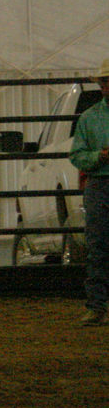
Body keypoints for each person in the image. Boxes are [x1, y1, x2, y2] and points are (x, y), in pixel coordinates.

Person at [69, 58, 109, 326]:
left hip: (98, 184)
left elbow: (78, 155)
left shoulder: (90, 117)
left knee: (98, 246)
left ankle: (96, 307)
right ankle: (96, 306)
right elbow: (77, 156)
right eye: (106, 81)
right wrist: (100, 157)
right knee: (97, 246)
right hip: (100, 183)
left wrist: (97, 157)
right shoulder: (89, 117)